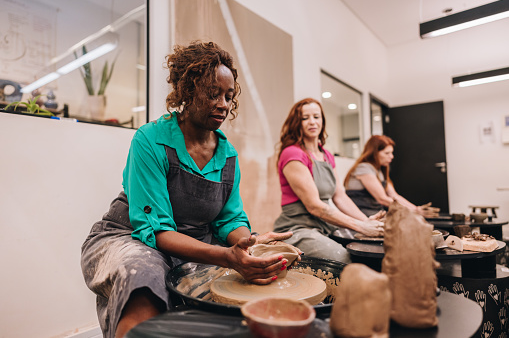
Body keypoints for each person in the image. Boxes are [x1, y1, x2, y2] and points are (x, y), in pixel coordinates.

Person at [81, 41, 297, 338]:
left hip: (195, 242)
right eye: (213, 94)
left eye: (229, 96)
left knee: (246, 287)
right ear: (188, 91)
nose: (223, 104)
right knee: (145, 275)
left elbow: (229, 220)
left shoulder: (227, 154)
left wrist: (251, 244)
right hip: (131, 236)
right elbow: (155, 231)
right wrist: (225, 257)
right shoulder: (151, 140)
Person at [273, 98, 384, 263]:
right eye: (305, 118)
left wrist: (366, 221)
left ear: (322, 121)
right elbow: (314, 206)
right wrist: (361, 226)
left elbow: (340, 197)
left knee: (368, 250)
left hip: (324, 225)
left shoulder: (327, 155)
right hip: (298, 228)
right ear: (297, 123)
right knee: (344, 258)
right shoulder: (292, 153)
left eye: (316, 117)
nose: (312, 122)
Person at [344, 135, 439, 217]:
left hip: (375, 212)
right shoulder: (364, 168)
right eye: (387, 153)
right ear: (374, 154)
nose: (392, 156)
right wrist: (413, 211)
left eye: (391, 153)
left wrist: (416, 209)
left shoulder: (380, 170)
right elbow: (382, 199)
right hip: (361, 214)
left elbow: (394, 195)